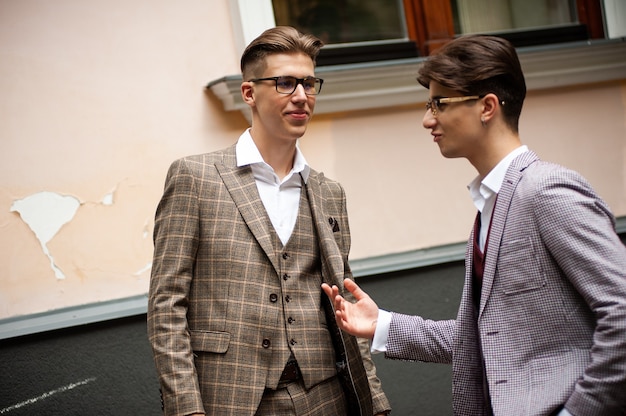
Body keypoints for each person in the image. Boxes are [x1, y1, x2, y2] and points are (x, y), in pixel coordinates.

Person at [323, 35, 626, 416]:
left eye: (439, 103)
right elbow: (489, 338)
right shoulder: (490, 204)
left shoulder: (546, 191)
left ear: (487, 107)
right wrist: (382, 324)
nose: (427, 119)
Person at [147, 26, 391, 416]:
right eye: (285, 83)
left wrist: (374, 400)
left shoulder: (330, 193)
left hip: (326, 397)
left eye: (309, 84)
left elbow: (344, 301)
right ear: (249, 93)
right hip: (232, 399)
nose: (301, 96)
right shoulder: (196, 177)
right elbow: (166, 304)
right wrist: (186, 408)